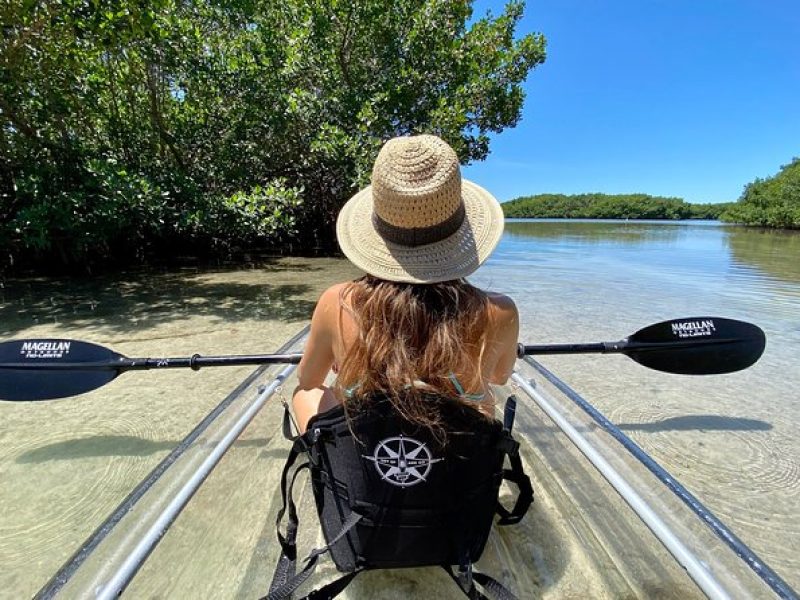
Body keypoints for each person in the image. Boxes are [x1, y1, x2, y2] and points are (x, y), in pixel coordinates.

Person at [292, 133, 519, 433]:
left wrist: (345, 356)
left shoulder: (337, 302)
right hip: (455, 461)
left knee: (304, 394)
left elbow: (308, 378)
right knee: (484, 398)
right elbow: (500, 377)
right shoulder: (500, 311)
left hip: (368, 455)